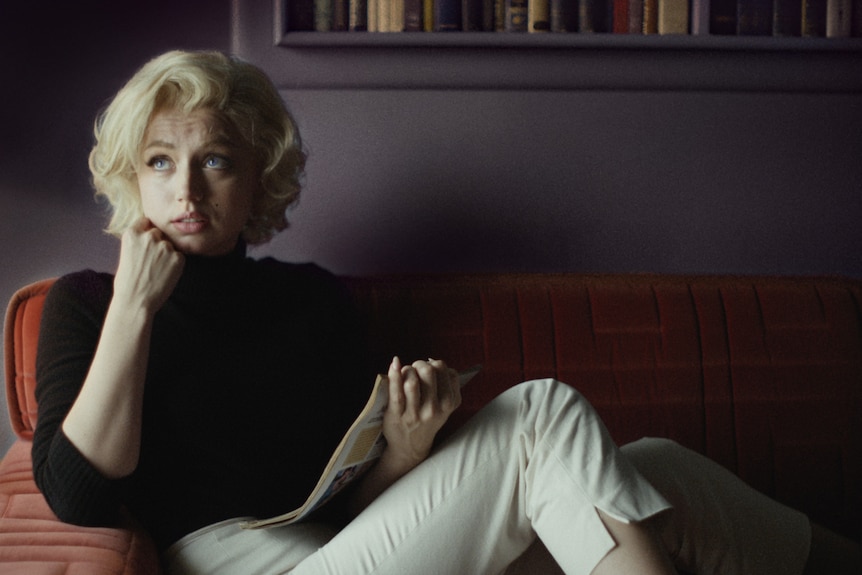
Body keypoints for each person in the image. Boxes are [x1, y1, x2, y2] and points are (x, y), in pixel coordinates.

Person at [31, 50, 859, 575]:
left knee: (657, 468)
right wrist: (135, 309)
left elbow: (348, 511)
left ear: (257, 180)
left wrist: (404, 447)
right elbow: (75, 492)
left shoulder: (310, 301)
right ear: (131, 177)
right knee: (541, 413)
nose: (186, 187)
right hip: (233, 566)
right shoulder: (85, 304)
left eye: (214, 159)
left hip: (353, 553)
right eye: (160, 161)